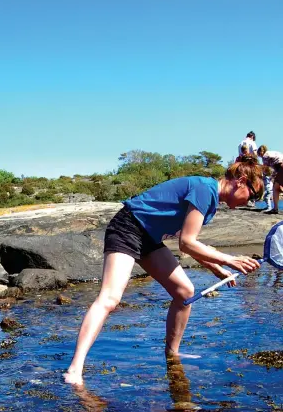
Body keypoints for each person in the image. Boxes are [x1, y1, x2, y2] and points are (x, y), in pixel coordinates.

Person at [64, 158, 263, 386]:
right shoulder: (204, 190)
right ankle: (75, 368)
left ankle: (172, 353)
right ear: (241, 181)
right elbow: (187, 244)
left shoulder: (210, 202)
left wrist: (217, 269)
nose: (251, 202)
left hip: (149, 238)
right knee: (110, 298)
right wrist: (230, 259)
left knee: (185, 293)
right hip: (128, 228)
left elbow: (188, 241)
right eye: (253, 195)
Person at [258, 145, 282, 215]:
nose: (259, 156)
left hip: (281, 168)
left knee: (275, 188)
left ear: (261, 152)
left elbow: (265, 168)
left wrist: (262, 175)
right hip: (280, 168)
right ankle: (275, 208)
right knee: (277, 187)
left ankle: (275, 209)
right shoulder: (272, 153)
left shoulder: (265, 155)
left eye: (259, 154)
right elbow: (275, 166)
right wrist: (272, 176)